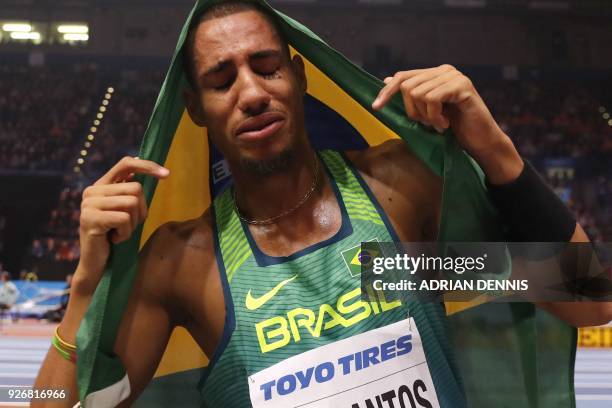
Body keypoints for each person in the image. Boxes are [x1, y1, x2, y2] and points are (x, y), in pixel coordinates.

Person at [34, 2, 612, 407]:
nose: (253, 93)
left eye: (266, 67)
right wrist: (85, 291)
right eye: (222, 80)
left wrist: (496, 149)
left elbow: (587, 301)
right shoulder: (184, 264)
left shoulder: (399, 200)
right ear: (194, 107)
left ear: (299, 76)